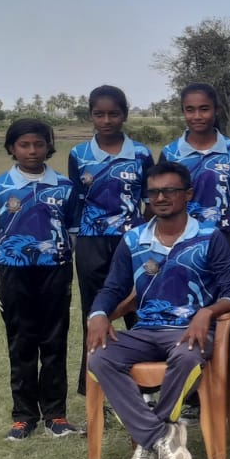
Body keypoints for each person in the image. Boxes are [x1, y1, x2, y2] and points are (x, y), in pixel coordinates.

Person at [84, 162, 230, 459]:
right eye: (154, 192)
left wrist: (207, 312)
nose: (160, 198)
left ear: (188, 194)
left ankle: (149, 438)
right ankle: (160, 436)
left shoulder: (209, 236)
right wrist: (98, 315)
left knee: (186, 356)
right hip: (145, 330)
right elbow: (113, 288)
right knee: (99, 357)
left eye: (169, 191)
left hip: (190, 331)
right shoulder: (134, 239)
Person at [0, 118, 82, 441]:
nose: (32, 150)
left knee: (54, 342)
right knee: (21, 343)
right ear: (12, 148)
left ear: (49, 146)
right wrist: (3, 263)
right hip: (13, 273)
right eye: (24, 145)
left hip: (55, 271)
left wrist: (58, 256)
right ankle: (24, 416)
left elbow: (73, 231)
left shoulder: (65, 187)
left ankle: (56, 415)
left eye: (39, 144)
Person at [161, 82, 230, 408]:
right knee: (188, 310)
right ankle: (192, 396)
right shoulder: (171, 153)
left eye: (204, 109)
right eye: (190, 109)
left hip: (227, 241)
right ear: (183, 112)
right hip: (185, 244)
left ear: (216, 110)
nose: (197, 116)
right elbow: (164, 201)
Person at [68, 85, 153, 397]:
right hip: (91, 242)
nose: (106, 120)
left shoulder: (141, 154)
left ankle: (146, 387)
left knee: (137, 308)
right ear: (91, 116)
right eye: (99, 114)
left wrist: (140, 233)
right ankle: (92, 387)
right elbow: (77, 202)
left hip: (132, 242)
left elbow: (150, 200)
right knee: (94, 312)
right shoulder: (78, 155)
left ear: (124, 115)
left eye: (113, 114)